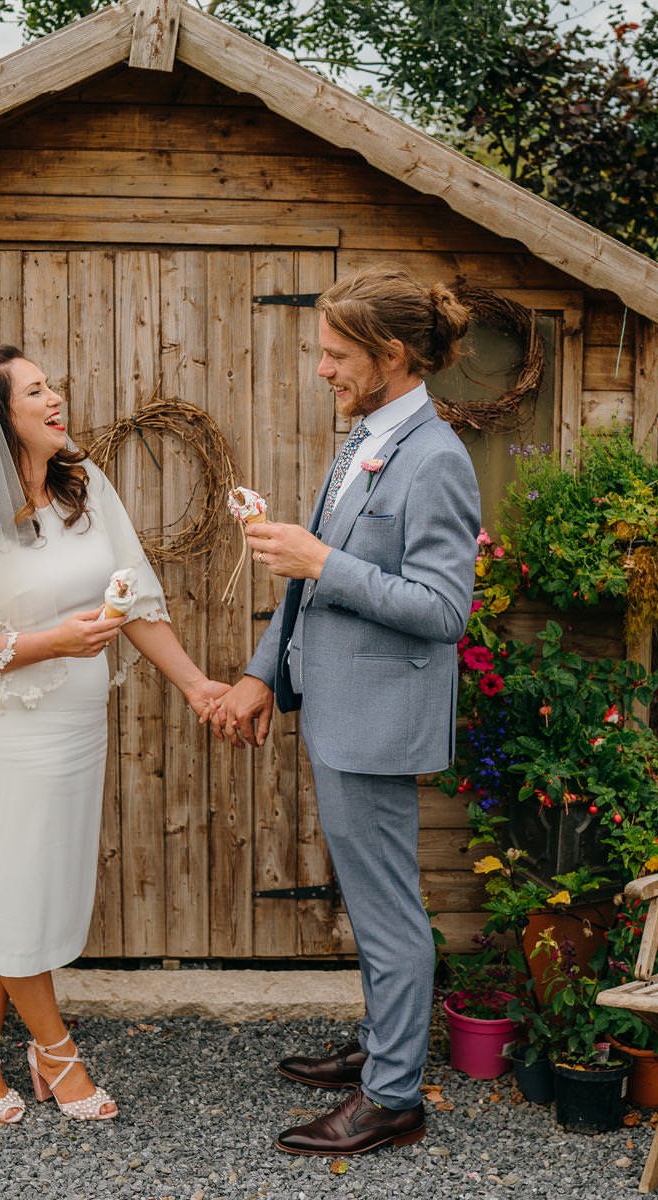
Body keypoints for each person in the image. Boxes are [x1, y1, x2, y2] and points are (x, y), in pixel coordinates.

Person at [0, 341, 228, 1125]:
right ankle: (55, 1052)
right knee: (14, 895)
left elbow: (136, 599)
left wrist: (196, 685)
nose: (56, 400)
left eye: (54, 386)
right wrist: (50, 642)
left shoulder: (85, 488)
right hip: (7, 738)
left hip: (76, 732)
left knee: (26, 894)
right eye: (36, 392)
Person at [211, 267, 481, 1156]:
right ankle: (380, 1048)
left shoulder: (436, 456)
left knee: (387, 908)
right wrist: (261, 673)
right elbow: (311, 579)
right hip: (335, 704)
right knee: (371, 900)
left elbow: (444, 610)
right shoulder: (369, 436)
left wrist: (323, 559)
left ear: (391, 356)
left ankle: (393, 1096)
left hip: (376, 717)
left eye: (336, 354)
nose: (321, 368)